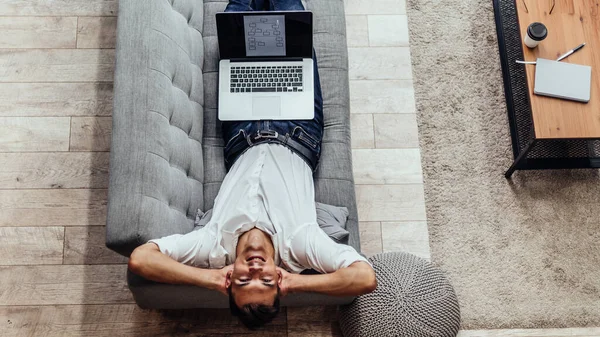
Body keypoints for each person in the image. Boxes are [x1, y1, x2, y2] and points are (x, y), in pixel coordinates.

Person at [127, 0, 377, 330]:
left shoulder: (212, 245)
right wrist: (293, 283)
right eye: (267, 283)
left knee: (237, 18)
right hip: (297, 125)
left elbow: (141, 259)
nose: (256, 273)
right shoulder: (301, 245)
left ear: (229, 280)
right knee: (290, 16)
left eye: (244, 283)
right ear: (280, 281)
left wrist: (209, 279)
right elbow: (364, 278)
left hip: (241, 127)